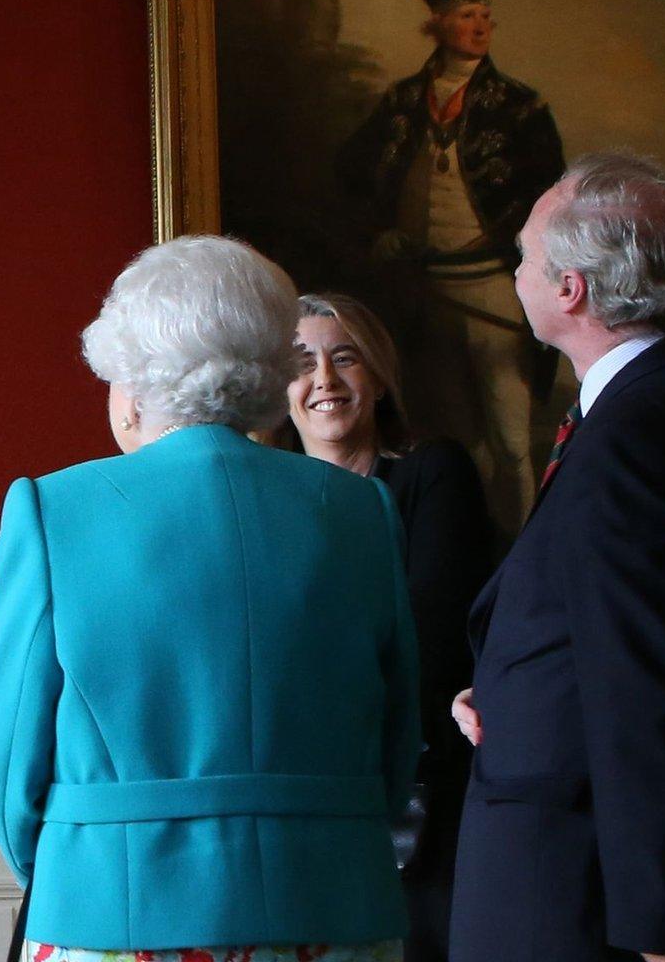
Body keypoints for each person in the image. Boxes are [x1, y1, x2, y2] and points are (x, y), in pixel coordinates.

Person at [0, 237, 418, 962]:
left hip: (117, 908)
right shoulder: (361, 510)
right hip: (335, 906)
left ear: (134, 380)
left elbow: (6, 759)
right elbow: (396, 741)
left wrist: (80, 863)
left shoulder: (55, 511)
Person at [449, 153, 665, 962]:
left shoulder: (640, 434)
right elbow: (610, 639)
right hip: (588, 876)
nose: (517, 271)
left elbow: (650, 687)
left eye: (526, 255)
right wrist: (511, 686)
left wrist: (664, 931)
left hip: (580, 896)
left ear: (570, 288)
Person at [283, 292, 493, 962]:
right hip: (296, 798)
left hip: (418, 796)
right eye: (303, 362)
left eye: (344, 358)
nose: (325, 380)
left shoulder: (433, 474)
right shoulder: (264, 499)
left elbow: (429, 639)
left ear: (376, 376)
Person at [337, 0, 565, 536]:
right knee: (448, 439)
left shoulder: (520, 109)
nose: (480, 26)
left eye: (485, 14)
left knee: (512, 442)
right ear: (437, 21)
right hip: (421, 295)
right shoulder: (403, 103)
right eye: (466, 15)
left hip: (495, 289)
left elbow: (553, 202)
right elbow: (352, 178)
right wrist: (379, 230)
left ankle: (521, 551)